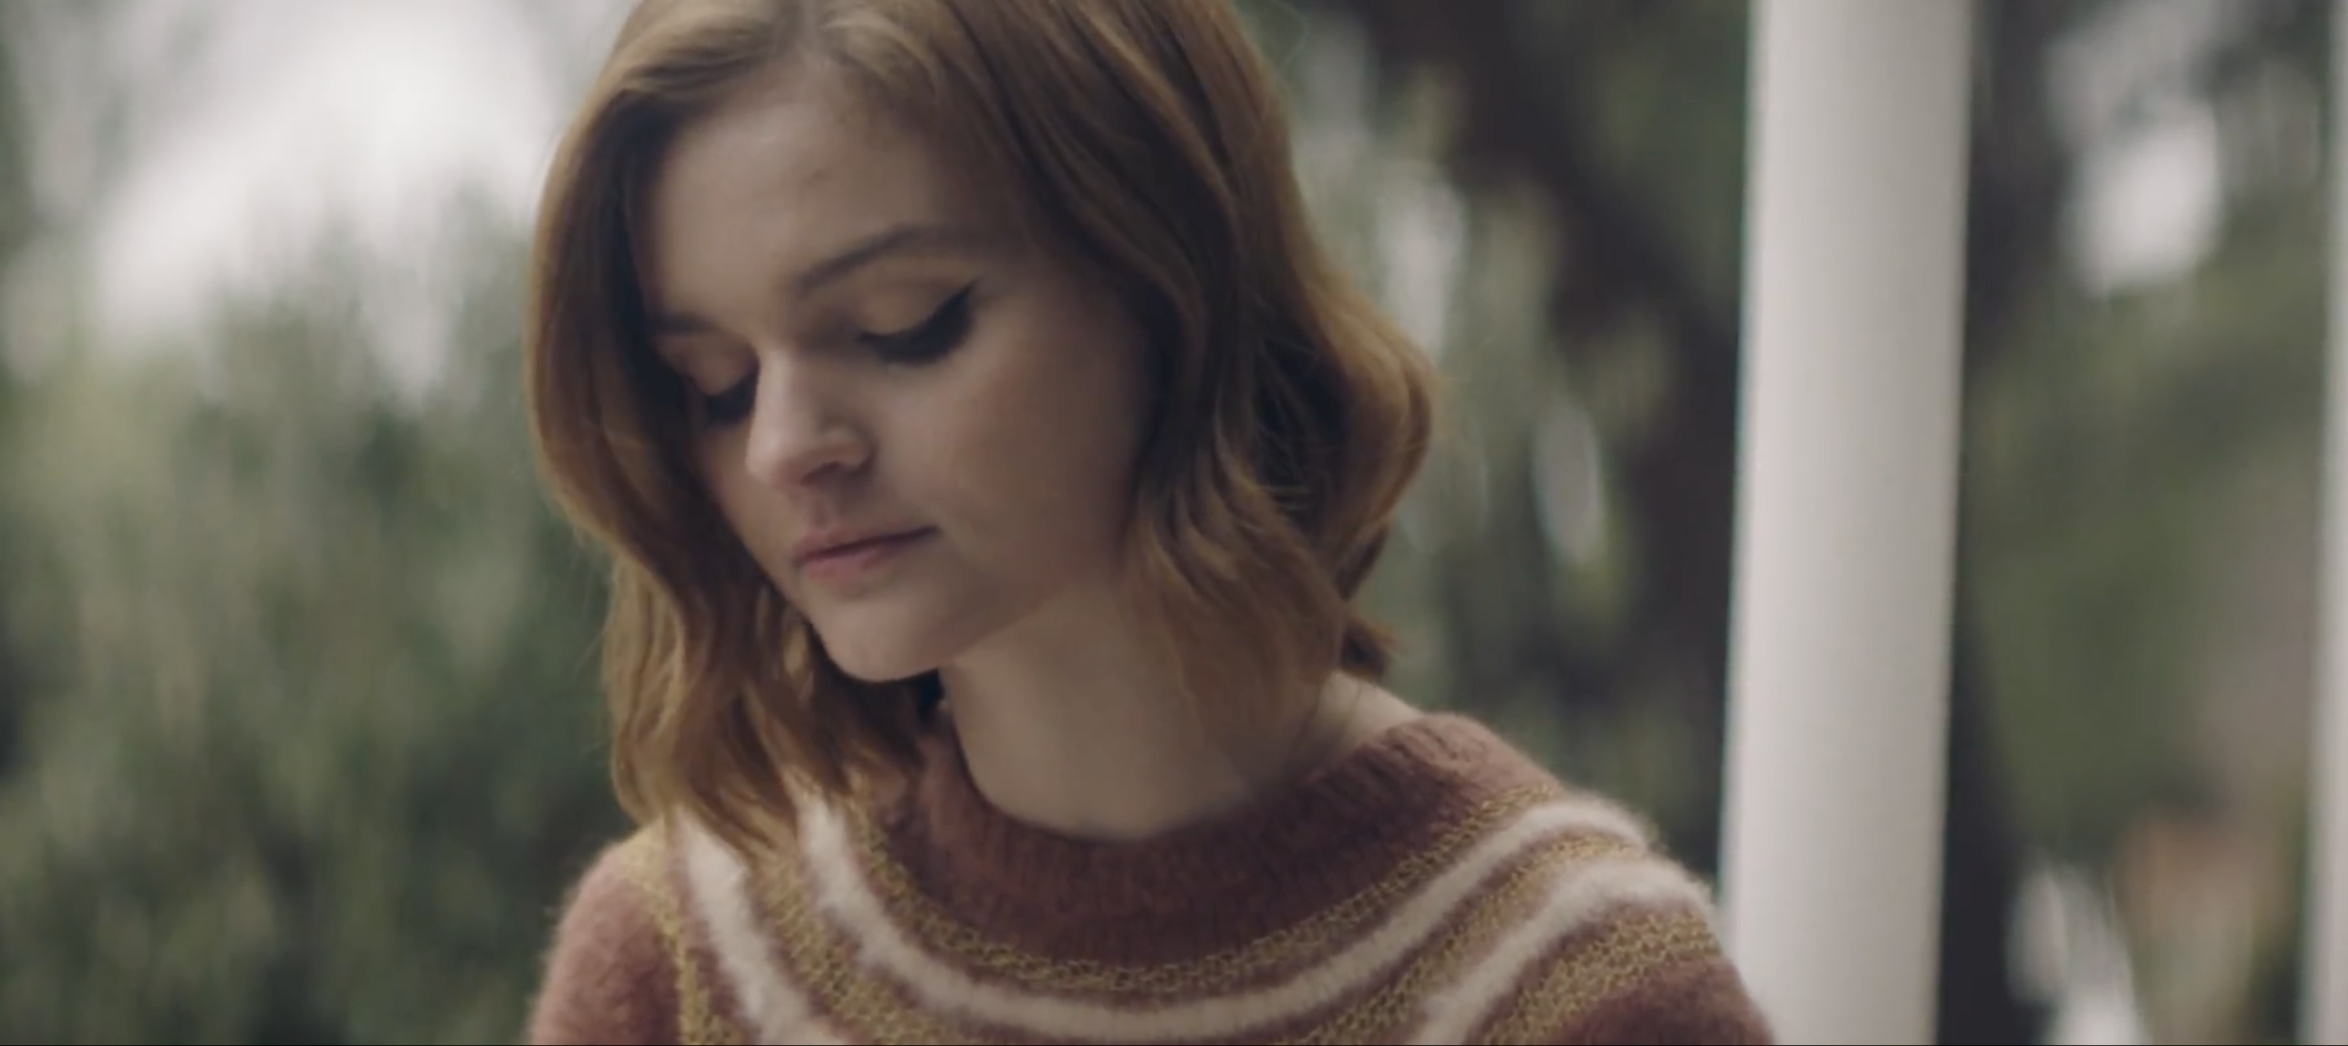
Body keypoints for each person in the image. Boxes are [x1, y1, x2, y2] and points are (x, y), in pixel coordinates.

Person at [521, 0, 1774, 1042]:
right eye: (716, 386)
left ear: (1163, 277)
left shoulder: (1578, 996)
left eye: (904, 323)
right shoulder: (679, 969)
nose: (785, 445)